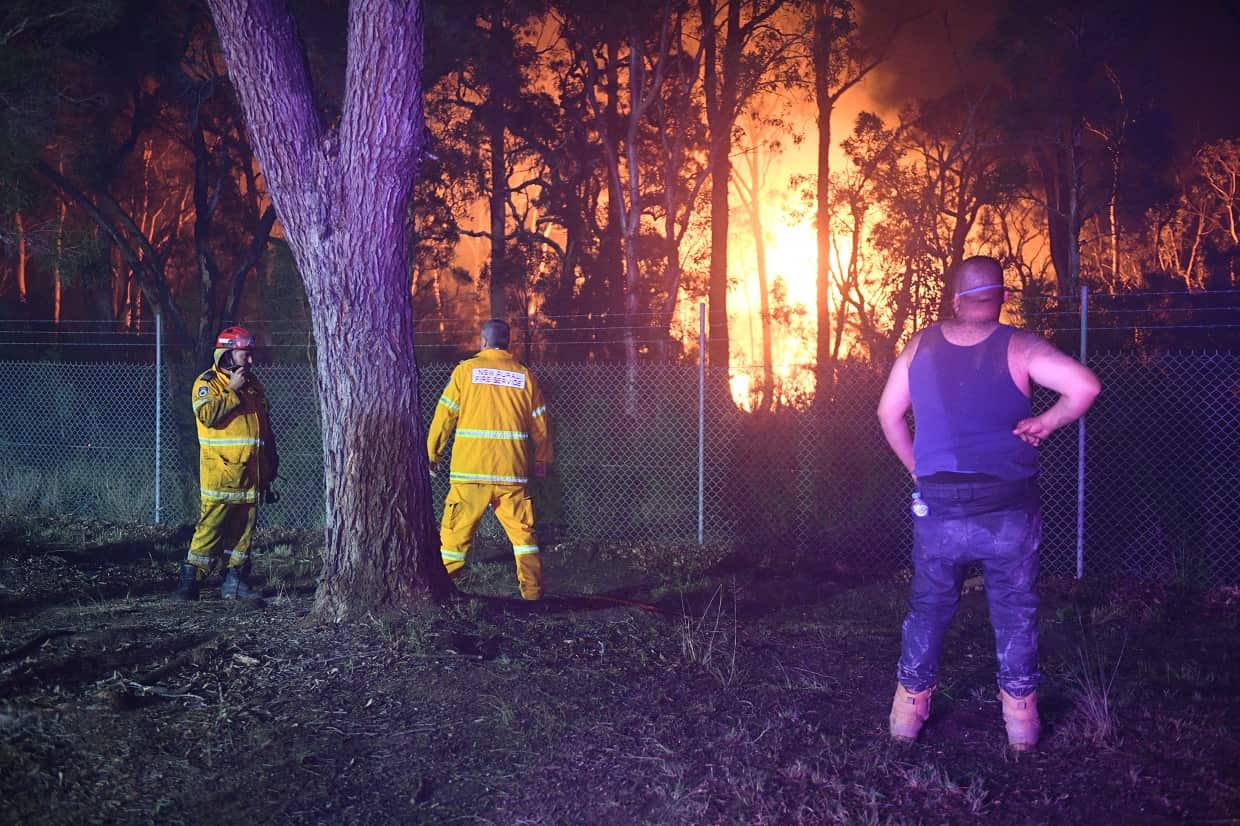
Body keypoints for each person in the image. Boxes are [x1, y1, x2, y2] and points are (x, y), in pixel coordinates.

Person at [876, 256, 1100, 751]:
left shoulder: (920, 345)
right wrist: (1047, 422)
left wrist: (918, 469)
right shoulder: (1019, 345)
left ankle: (906, 717)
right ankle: (1021, 725)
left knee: (929, 606)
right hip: (1008, 508)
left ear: (955, 299)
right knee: (1015, 608)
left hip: (939, 504)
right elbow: (1085, 387)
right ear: (1001, 298)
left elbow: (887, 414)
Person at [427, 319, 553, 601]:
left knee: (454, 540)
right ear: (508, 343)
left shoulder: (466, 371)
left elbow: (444, 416)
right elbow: (540, 424)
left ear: (482, 341)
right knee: (524, 539)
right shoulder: (524, 376)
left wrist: (432, 454)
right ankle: (533, 595)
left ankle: (440, 594)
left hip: (471, 471)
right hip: (513, 473)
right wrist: (542, 459)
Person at [173, 326, 279, 601]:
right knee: (210, 529)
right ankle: (190, 582)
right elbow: (207, 415)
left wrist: (270, 460)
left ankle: (235, 581)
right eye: (246, 354)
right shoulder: (207, 383)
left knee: (244, 533)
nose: (251, 361)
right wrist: (232, 390)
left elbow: (263, 427)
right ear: (228, 354)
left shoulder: (255, 385)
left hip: (251, 475)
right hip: (221, 474)